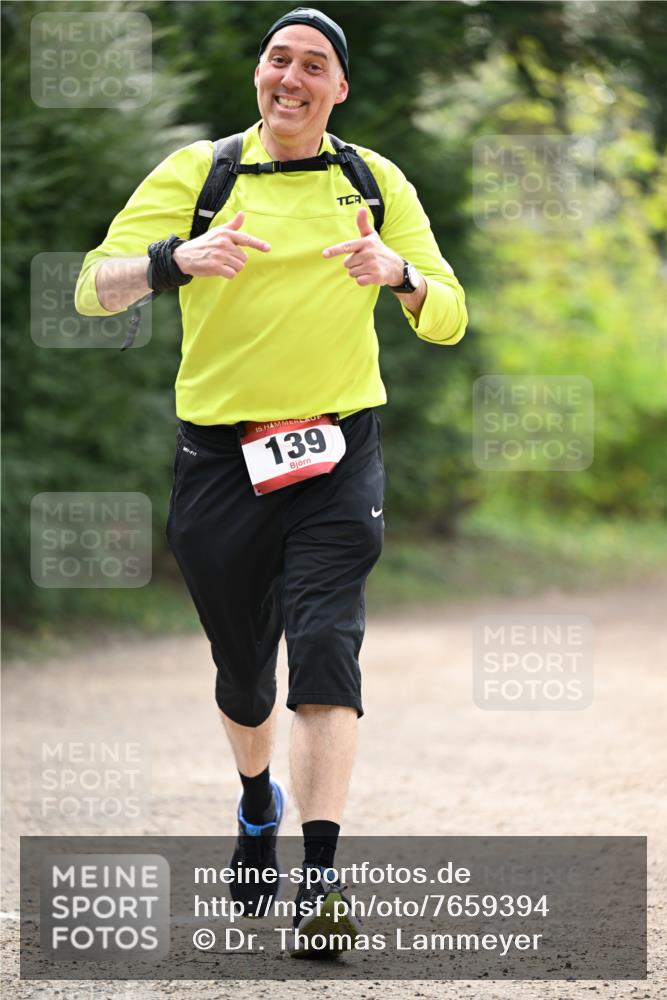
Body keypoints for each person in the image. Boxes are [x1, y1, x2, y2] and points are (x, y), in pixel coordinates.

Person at [75, 6, 467, 957]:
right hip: (220, 461)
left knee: (327, 647)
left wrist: (400, 274)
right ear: (260, 75)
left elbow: (449, 315)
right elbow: (92, 286)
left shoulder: (372, 181)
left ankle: (321, 884)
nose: (290, 77)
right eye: (277, 59)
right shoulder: (197, 174)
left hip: (337, 454)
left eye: (313, 65)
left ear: (338, 89)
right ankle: (257, 800)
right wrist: (178, 260)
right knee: (244, 677)